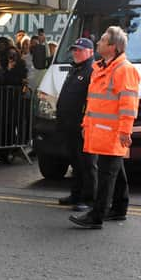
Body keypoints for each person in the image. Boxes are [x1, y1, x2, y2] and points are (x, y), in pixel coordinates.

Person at [70, 26, 139, 229]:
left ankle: (96, 216)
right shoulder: (101, 68)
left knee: (107, 173)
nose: (97, 42)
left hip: (112, 132)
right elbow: (94, 102)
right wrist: (86, 123)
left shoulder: (124, 70)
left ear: (113, 47)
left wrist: (125, 132)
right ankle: (119, 208)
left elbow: (129, 105)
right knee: (115, 171)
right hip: (100, 129)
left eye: (102, 40)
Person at [56, 38, 97, 212]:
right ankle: (76, 194)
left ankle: (88, 199)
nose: (76, 52)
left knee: (86, 164)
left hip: (82, 125)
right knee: (75, 162)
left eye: (80, 50)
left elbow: (91, 101)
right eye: (74, 50)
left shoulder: (92, 71)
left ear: (90, 52)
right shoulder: (75, 68)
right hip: (70, 124)